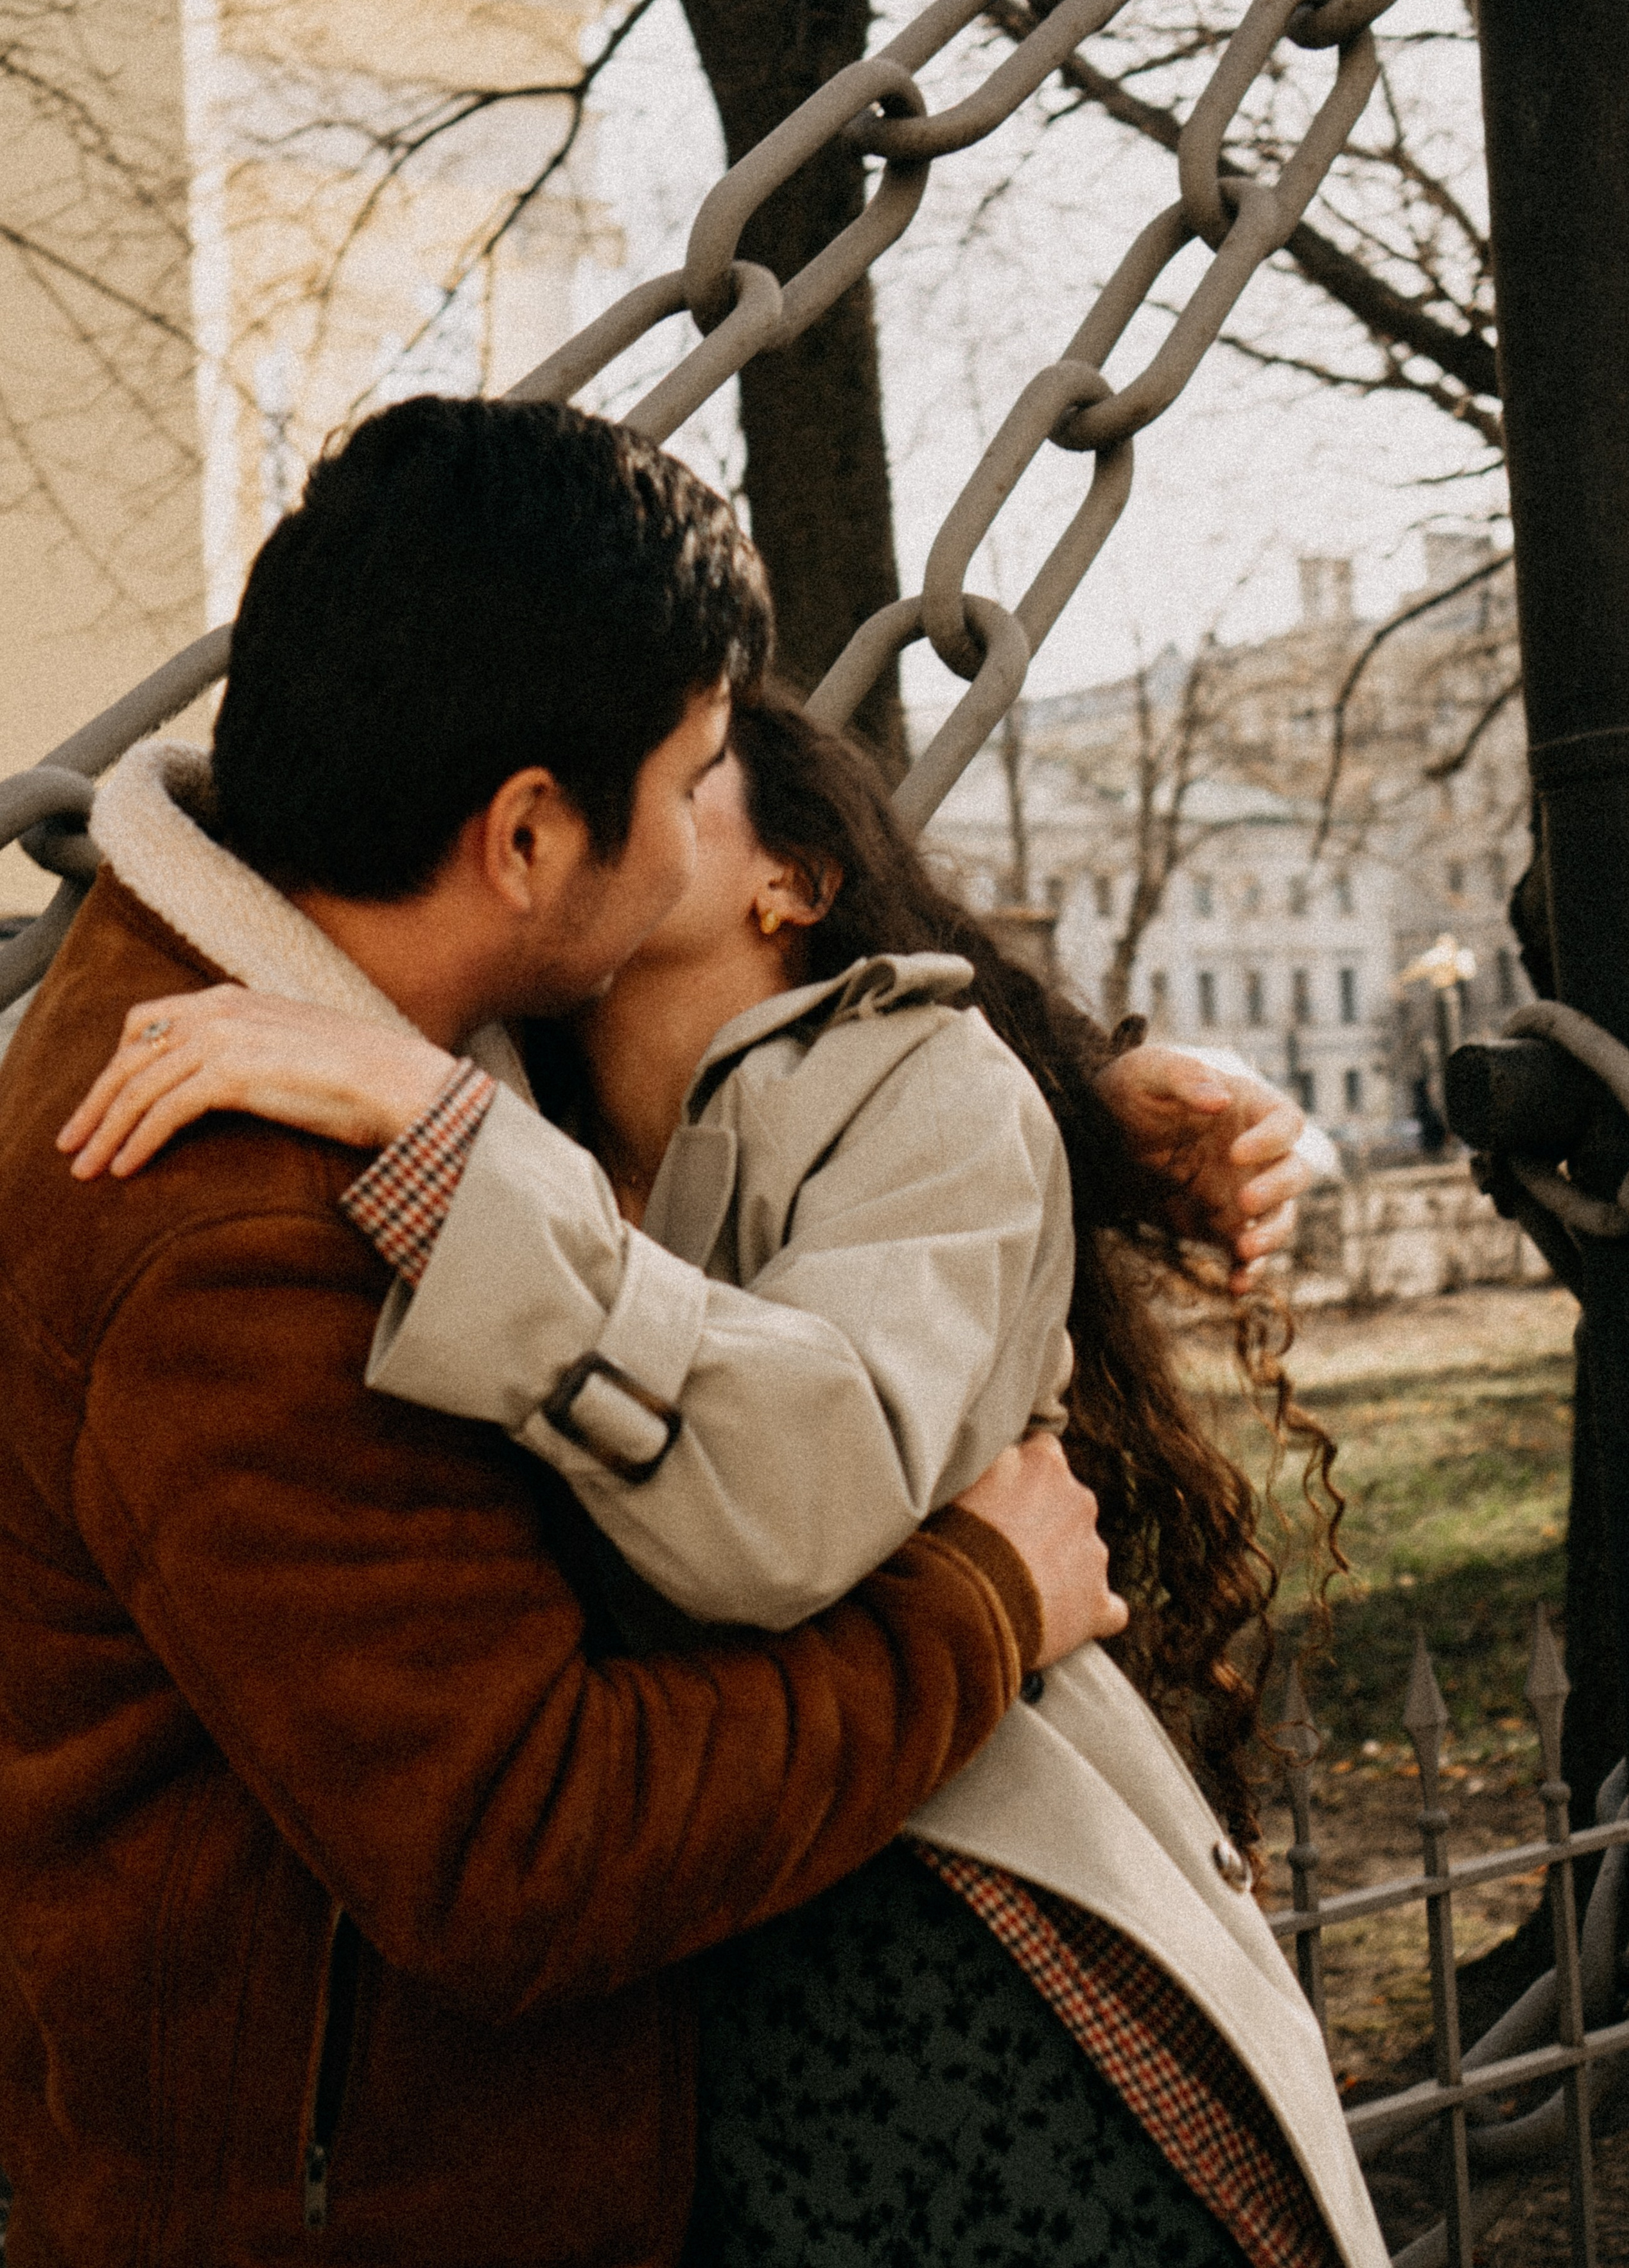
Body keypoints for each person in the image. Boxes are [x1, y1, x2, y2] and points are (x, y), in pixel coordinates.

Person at [0, 397, 1120, 2268]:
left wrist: (1140, 1116)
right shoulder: (237, 1240)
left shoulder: (362, 1029)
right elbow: (525, 1849)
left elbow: (788, 1132)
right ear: (525, 834)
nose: (691, 845)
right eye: (686, 782)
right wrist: (983, 1608)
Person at [64, 683, 1385, 2262]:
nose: (610, 794)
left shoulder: (893, 1086)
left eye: (689, 773)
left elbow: (787, 1492)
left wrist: (444, 1138)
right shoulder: (505, 1089)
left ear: (792, 882)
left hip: (957, 1943)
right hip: (683, 1996)